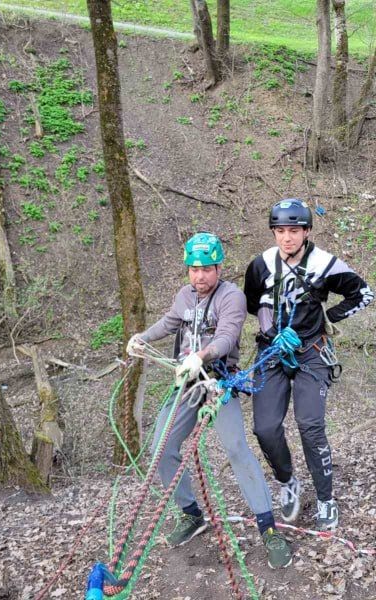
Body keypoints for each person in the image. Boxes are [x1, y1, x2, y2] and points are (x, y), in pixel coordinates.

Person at [126, 232, 292, 569]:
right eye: (193, 269)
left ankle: (269, 528)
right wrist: (140, 339)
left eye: (206, 269)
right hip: (187, 384)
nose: (199, 276)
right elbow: (169, 322)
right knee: (161, 447)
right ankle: (190, 514)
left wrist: (200, 356)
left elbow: (227, 335)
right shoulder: (184, 297)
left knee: (235, 448)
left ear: (218, 267)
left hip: (219, 382)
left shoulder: (230, 297)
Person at [244, 200, 374, 531]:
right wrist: (272, 331)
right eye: (281, 231)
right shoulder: (260, 265)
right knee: (265, 428)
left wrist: (326, 319)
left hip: (312, 353)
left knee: (310, 425)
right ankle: (288, 482)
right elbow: (252, 303)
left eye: (294, 231)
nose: (287, 238)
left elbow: (363, 294)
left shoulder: (325, 264)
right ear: (274, 232)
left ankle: (325, 498)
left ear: (306, 232)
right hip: (272, 351)